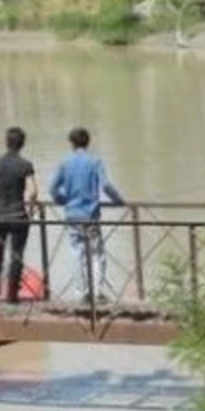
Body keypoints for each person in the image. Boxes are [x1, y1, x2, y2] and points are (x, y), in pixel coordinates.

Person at [51, 128, 125, 305]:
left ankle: (80, 293)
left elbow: (53, 189)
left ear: (72, 144)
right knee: (96, 255)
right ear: (88, 142)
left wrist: (63, 200)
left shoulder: (65, 163)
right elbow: (106, 186)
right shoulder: (95, 162)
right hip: (90, 216)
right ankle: (97, 292)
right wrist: (119, 201)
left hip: (72, 216)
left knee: (77, 254)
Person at [0, 126, 38, 304]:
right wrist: (31, 210)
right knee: (16, 256)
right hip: (19, 215)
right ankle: (12, 296)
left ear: (6, 142)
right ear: (22, 144)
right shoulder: (25, 165)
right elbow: (33, 192)